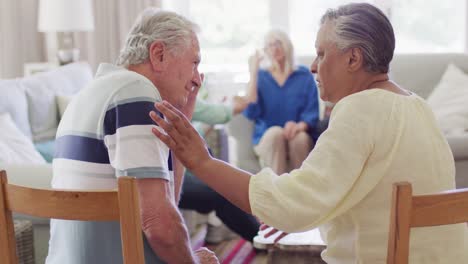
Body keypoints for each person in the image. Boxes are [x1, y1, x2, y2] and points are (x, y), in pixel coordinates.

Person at [149, 3, 468, 263]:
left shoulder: (360, 109)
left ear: (353, 58)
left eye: (321, 54)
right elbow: (367, 197)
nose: (313, 66)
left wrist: (203, 162)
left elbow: (289, 205)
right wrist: (300, 217)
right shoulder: (418, 107)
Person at [47, 9, 218, 264]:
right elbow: (159, 226)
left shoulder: (91, 92)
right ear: (158, 55)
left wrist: (179, 126)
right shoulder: (134, 91)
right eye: (194, 63)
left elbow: (164, 207)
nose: (197, 79)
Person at [179, 95, 259, 243]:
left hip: (177, 175)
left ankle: (258, 235)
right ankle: (262, 241)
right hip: (171, 180)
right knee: (222, 192)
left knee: (223, 183)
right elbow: (217, 113)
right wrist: (232, 106)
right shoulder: (169, 95)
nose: (195, 78)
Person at [243, 30, 320, 175]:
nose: (274, 49)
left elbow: (312, 111)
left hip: (297, 133)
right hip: (267, 136)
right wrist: (253, 72)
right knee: (275, 134)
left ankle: (301, 191)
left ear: (287, 46)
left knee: (301, 139)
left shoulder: (303, 75)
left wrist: (299, 126)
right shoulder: (261, 76)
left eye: (278, 43)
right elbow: (251, 111)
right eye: (269, 46)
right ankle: (276, 193)